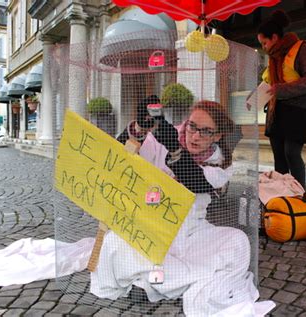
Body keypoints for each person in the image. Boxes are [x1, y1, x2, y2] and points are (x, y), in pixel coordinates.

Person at [91, 99, 258, 316]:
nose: (196, 136)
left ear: (217, 136)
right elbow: (120, 153)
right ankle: (169, 280)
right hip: (151, 227)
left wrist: (175, 149)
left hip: (191, 231)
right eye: (193, 127)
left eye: (206, 132)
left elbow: (196, 182)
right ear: (186, 123)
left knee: (238, 241)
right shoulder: (163, 138)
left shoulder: (220, 162)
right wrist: (139, 127)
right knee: (113, 242)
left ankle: (151, 282)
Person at [257, 10, 306, 189]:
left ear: (275, 37)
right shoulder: (272, 58)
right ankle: (283, 195)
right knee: (279, 155)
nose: (264, 47)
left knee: (291, 153)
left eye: (265, 42)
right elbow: (267, 83)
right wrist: (256, 97)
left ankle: (300, 194)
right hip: (277, 110)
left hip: (299, 109)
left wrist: (281, 89)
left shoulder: (301, 48)